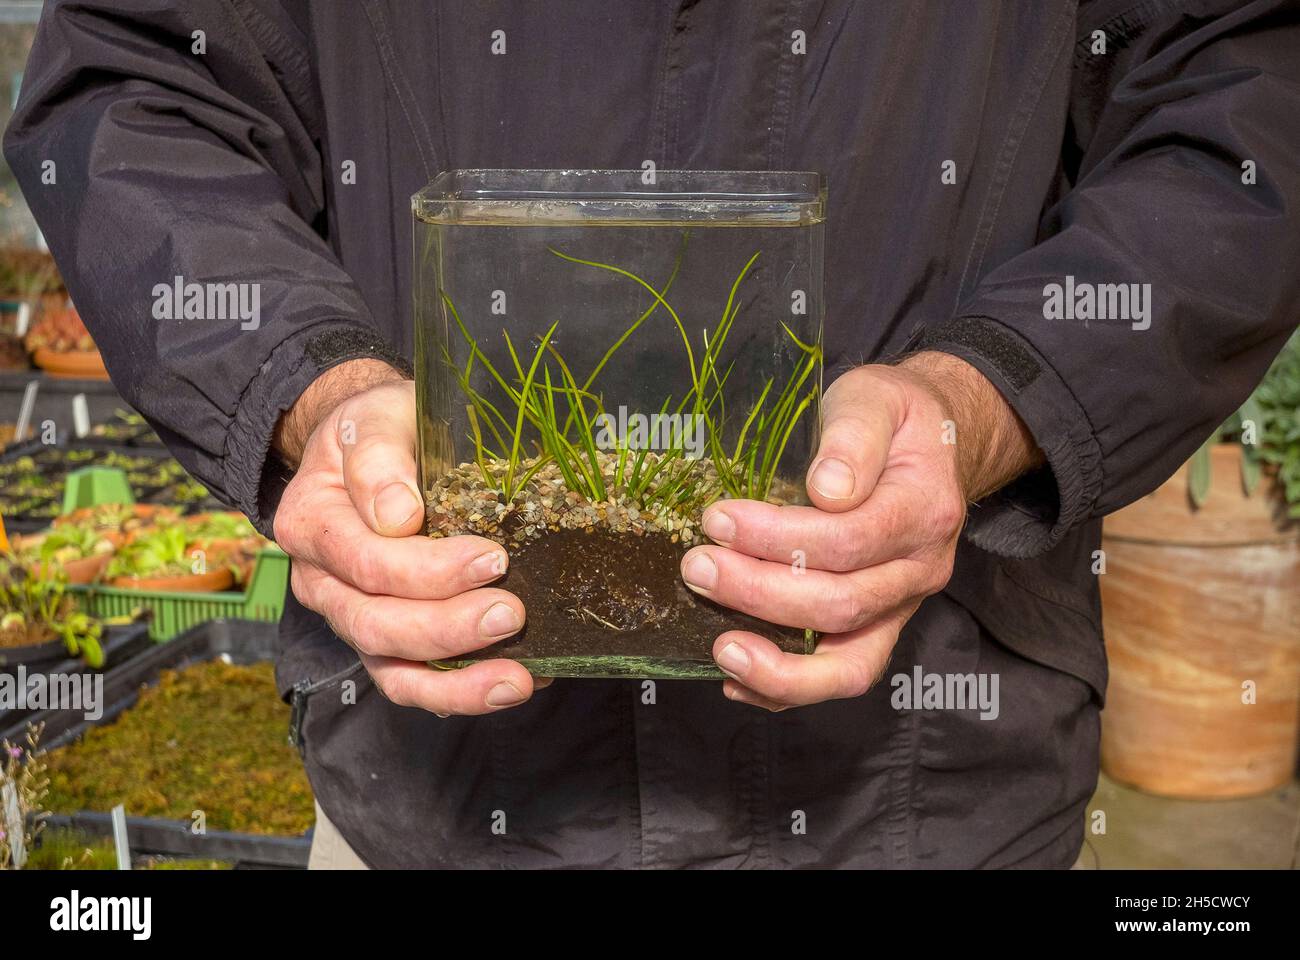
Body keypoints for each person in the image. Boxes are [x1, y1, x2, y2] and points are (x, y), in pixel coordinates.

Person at [6, 0, 1298, 869]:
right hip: (425, 790)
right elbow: (136, 78)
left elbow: (1245, 98)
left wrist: (982, 405)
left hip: (930, 795)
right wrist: (309, 386)